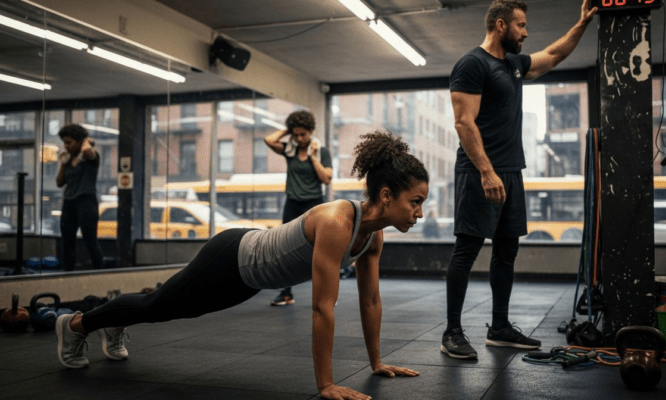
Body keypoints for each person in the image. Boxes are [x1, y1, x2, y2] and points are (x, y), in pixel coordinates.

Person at [55, 131, 424, 400]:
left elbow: (371, 301)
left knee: (172, 310)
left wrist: (377, 362)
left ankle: (117, 322)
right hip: (232, 254)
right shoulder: (337, 222)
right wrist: (326, 385)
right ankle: (75, 324)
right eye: (415, 202)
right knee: (157, 305)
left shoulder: (373, 237)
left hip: (250, 279)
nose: (419, 213)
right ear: (387, 195)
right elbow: (322, 307)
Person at [440, 0, 597, 359]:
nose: (526, 33)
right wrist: (486, 171)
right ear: (500, 25)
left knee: (507, 250)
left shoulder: (513, 65)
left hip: (510, 171)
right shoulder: (472, 64)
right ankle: (451, 332)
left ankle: (499, 327)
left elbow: (554, 54)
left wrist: (583, 22)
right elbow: (464, 122)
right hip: (479, 172)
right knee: (466, 250)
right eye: (521, 25)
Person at [264, 110, 332, 306]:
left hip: (314, 204)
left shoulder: (322, 152)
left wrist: (313, 159)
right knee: (284, 247)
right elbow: (268, 140)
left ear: (311, 131)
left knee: (320, 249)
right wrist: (289, 128)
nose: (300, 138)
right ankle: (286, 293)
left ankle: (326, 294)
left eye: (303, 134)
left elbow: (326, 179)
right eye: (296, 134)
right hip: (292, 202)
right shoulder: (289, 150)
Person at [55, 124, 103, 271]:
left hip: (86, 202)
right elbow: (59, 182)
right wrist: (63, 163)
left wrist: (85, 143)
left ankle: (100, 275)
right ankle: (67, 275)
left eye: (69, 142)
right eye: (64, 143)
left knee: (90, 241)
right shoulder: (69, 160)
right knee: (67, 243)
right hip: (69, 203)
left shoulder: (90, 157)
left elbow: (90, 152)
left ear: (80, 141)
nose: (66, 146)